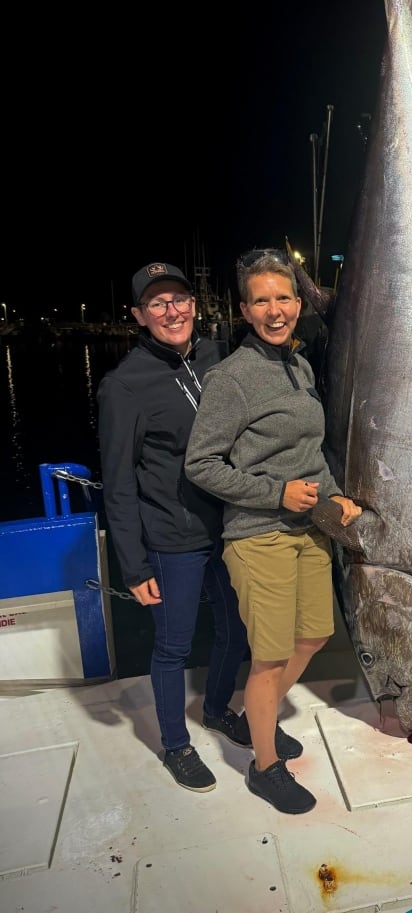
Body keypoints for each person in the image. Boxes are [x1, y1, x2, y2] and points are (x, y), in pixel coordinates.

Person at [184, 250, 362, 815]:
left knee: (311, 638)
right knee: (269, 655)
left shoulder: (301, 366)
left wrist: (332, 495)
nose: (275, 309)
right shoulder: (231, 378)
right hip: (258, 533)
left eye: (283, 297)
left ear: (298, 302)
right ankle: (265, 767)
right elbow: (202, 464)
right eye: (261, 300)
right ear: (244, 309)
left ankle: (254, 718)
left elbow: (311, 454)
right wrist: (274, 494)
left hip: (309, 529)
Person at [97, 261, 250, 793]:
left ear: (194, 304)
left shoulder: (217, 355)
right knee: (173, 647)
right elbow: (116, 484)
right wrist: (133, 565)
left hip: (230, 527)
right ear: (140, 315)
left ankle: (216, 710)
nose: (172, 311)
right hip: (172, 538)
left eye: (179, 299)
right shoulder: (124, 386)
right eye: (157, 304)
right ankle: (175, 746)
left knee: (237, 631)